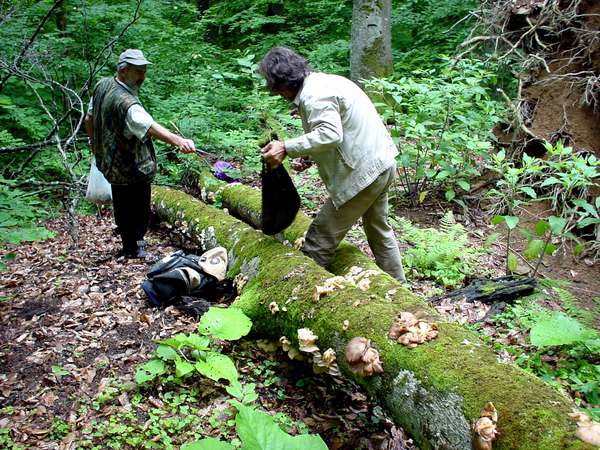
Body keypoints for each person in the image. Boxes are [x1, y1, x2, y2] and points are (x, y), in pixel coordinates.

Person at [259, 47, 406, 282]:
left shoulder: (314, 95)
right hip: (381, 164)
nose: (277, 94)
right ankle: (401, 289)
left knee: (320, 237)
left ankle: (301, 294)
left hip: (363, 174)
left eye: (276, 87)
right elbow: (344, 131)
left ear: (283, 81)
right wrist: (308, 156)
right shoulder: (326, 82)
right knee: (379, 231)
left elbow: (330, 134)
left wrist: (286, 147)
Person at [84, 49, 196, 259]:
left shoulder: (102, 85)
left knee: (122, 204)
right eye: (138, 71)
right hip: (131, 165)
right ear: (124, 71)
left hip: (110, 161)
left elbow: (89, 119)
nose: (142, 77)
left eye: (144, 71)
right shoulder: (126, 102)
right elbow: (149, 126)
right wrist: (179, 141)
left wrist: (95, 145)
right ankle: (134, 247)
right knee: (137, 208)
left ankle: (129, 246)